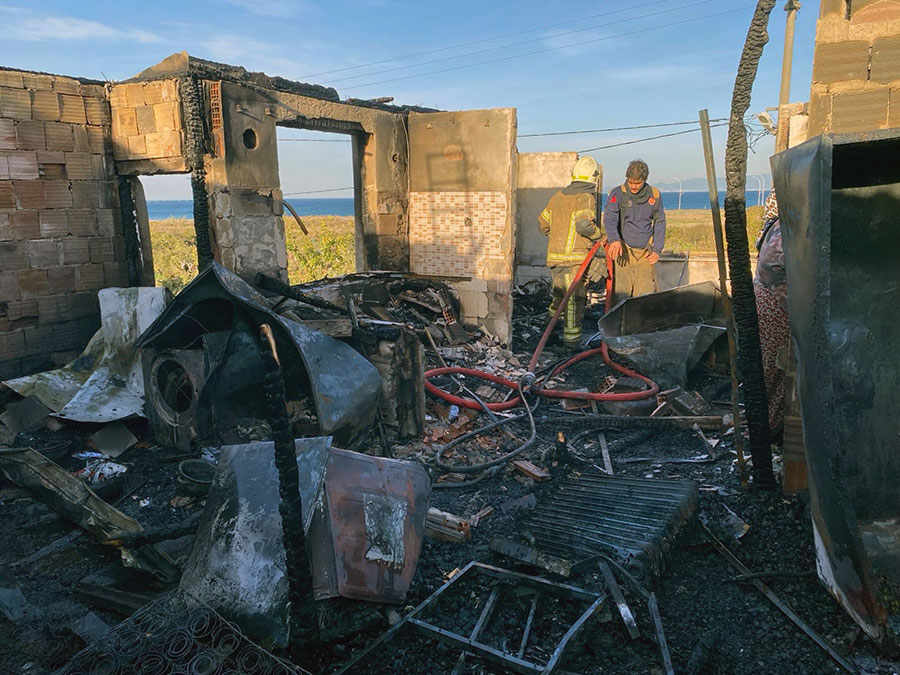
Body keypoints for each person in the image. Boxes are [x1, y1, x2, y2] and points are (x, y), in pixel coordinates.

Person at [538, 155, 605, 346]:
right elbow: (584, 225)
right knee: (574, 301)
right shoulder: (585, 197)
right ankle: (571, 343)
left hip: (555, 259)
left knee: (559, 297)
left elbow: (542, 224)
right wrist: (599, 236)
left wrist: (557, 235)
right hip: (574, 260)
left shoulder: (558, 197)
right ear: (594, 178)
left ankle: (549, 332)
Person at [602, 159, 666, 300]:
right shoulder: (617, 193)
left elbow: (660, 222)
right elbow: (609, 219)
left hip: (645, 255)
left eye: (637, 183)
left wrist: (657, 250)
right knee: (621, 297)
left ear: (644, 179)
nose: (633, 186)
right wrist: (614, 240)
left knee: (643, 298)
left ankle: (640, 322)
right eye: (631, 182)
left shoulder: (654, 195)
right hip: (623, 252)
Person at [754, 190, 789, 438]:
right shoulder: (782, 230)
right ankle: (766, 431)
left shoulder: (775, 226)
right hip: (774, 307)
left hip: (771, 304)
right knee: (773, 368)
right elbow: (771, 267)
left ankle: (767, 427)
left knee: (772, 368)